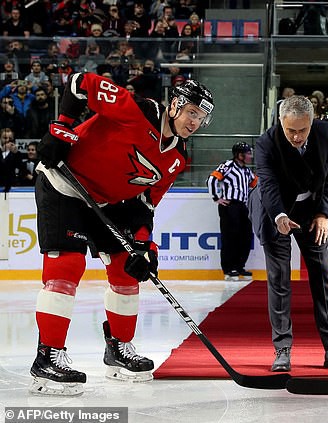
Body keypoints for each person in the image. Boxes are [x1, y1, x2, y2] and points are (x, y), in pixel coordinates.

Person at [30, 72, 214, 396]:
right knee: (67, 267)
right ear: (176, 105)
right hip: (64, 182)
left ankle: (119, 350)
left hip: (107, 201)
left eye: (201, 118)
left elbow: (145, 203)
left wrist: (144, 245)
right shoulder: (138, 110)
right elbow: (80, 83)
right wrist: (61, 127)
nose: (195, 122)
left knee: (126, 270)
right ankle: (47, 356)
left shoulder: (176, 158)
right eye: (192, 113)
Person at [250, 95, 328, 373]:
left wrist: (323, 214)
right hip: (276, 210)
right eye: (290, 130)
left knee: (321, 275)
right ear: (280, 121)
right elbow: (267, 185)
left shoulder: (324, 133)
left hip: (311, 210)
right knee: (279, 279)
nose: (296, 136)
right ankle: (282, 349)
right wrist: (279, 216)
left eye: (302, 130)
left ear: (312, 121)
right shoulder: (266, 143)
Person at [207, 142, 257, 281]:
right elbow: (212, 179)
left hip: (243, 206)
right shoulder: (228, 166)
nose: (250, 156)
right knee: (230, 237)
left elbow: (256, 184)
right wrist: (216, 197)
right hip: (230, 206)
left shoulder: (247, 171)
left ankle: (240, 266)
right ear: (239, 155)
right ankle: (229, 269)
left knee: (246, 236)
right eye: (247, 153)